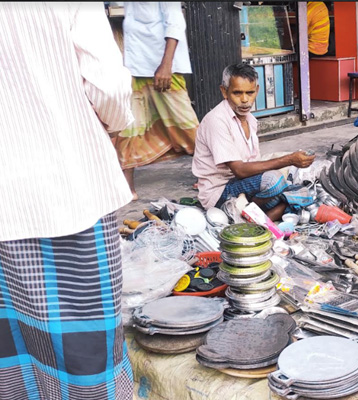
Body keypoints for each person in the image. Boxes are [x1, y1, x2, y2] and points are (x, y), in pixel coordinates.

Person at [0, 3, 134, 399]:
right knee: (84, 351)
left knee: (12, 346)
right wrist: (117, 121)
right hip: (65, 188)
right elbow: (108, 86)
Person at [192, 64, 316, 221]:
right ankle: (247, 218)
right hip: (219, 193)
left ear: (256, 91)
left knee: (303, 192)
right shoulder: (216, 120)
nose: (244, 100)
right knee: (274, 181)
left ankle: (260, 220)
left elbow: (252, 165)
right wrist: (289, 160)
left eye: (249, 93)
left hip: (242, 185)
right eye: (237, 93)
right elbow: (240, 171)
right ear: (224, 91)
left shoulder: (250, 120)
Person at [115, 2, 199, 200]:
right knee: (129, 127)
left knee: (186, 124)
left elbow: (176, 23)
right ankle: (128, 189)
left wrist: (166, 65)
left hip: (163, 69)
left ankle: (212, 174)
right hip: (134, 68)